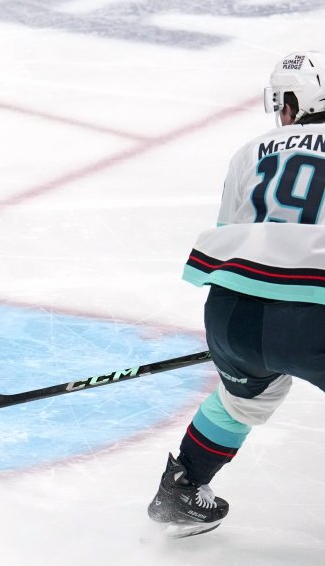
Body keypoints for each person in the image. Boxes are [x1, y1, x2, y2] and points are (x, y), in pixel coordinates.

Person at [147, 50, 325, 537]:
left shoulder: (251, 151)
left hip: (233, 316)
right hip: (316, 313)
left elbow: (233, 235)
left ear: (294, 101)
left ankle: (181, 489)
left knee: (240, 399)